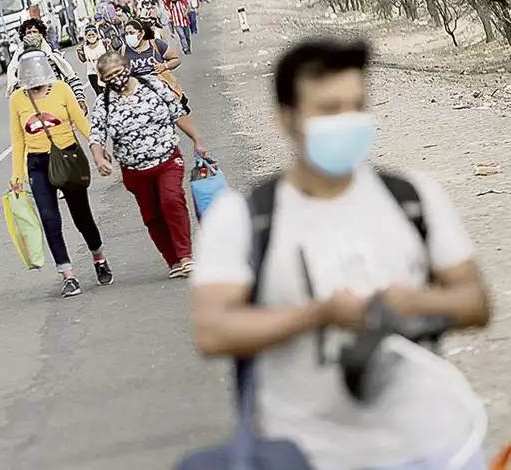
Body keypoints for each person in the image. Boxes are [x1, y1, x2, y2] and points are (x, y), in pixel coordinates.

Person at [191, 39, 492, 470]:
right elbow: (213, 331)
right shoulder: (243, 219)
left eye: (357, 105)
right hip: (317, 456)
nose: (347, 121)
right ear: (287, 118)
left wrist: (412, 303)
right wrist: (319, 314)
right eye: (329, 110)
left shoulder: (412, 198)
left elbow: (476, 303)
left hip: (440, 449)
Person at [90, 52, 205, 278]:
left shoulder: (152, 85)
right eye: (109, 76)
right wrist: (99, 158)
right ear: (103, 79)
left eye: (118, 71)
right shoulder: (103, 102)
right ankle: (173, 261)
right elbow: (96, 135)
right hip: (134, 170)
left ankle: (186, 256)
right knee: (152, 215)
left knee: (172, 200)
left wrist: (197, 140)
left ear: (127, 67)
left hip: (167, 158)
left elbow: (177, 113)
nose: (116, 78)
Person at [9, 46, 113, 297]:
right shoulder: (17, 99)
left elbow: (81, 122)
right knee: (49, 220)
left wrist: (97, 148)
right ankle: (67, 274)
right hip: (37, 165)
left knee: (81, 216)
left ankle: (98, 257)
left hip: (68, 158)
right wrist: (17, 176)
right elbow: (18, 137)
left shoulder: (62, 90)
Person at [5, 18, 87, 113]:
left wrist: (79, 98)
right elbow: (15, 86)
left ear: (41, 34)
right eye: (29, 32)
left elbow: (70, 76)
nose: (32, 35)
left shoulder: (52, 54)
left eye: (35, 32)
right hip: (33, 106)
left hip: (56, 101)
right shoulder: (18, 61)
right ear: (24, 35)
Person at [120, 19, 182, 93]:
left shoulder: (156, 44)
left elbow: (176, 60)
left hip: (160, 91)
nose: (129, 36)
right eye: (126, 34)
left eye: (132, 33)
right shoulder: (123, 52)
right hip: (137, 93)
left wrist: (165, 66)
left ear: (142, 33)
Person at [76, 24, 109, 94]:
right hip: (92, 72)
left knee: (108, 91)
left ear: (97, 34)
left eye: (93, 35)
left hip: (104, 70)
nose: (91, 37)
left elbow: (111, 54)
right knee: (99, 92)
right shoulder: (84, 46)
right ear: (86, 36)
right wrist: (79, 52)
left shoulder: (103, 43)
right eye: (89, 35)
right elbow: (83, 60)